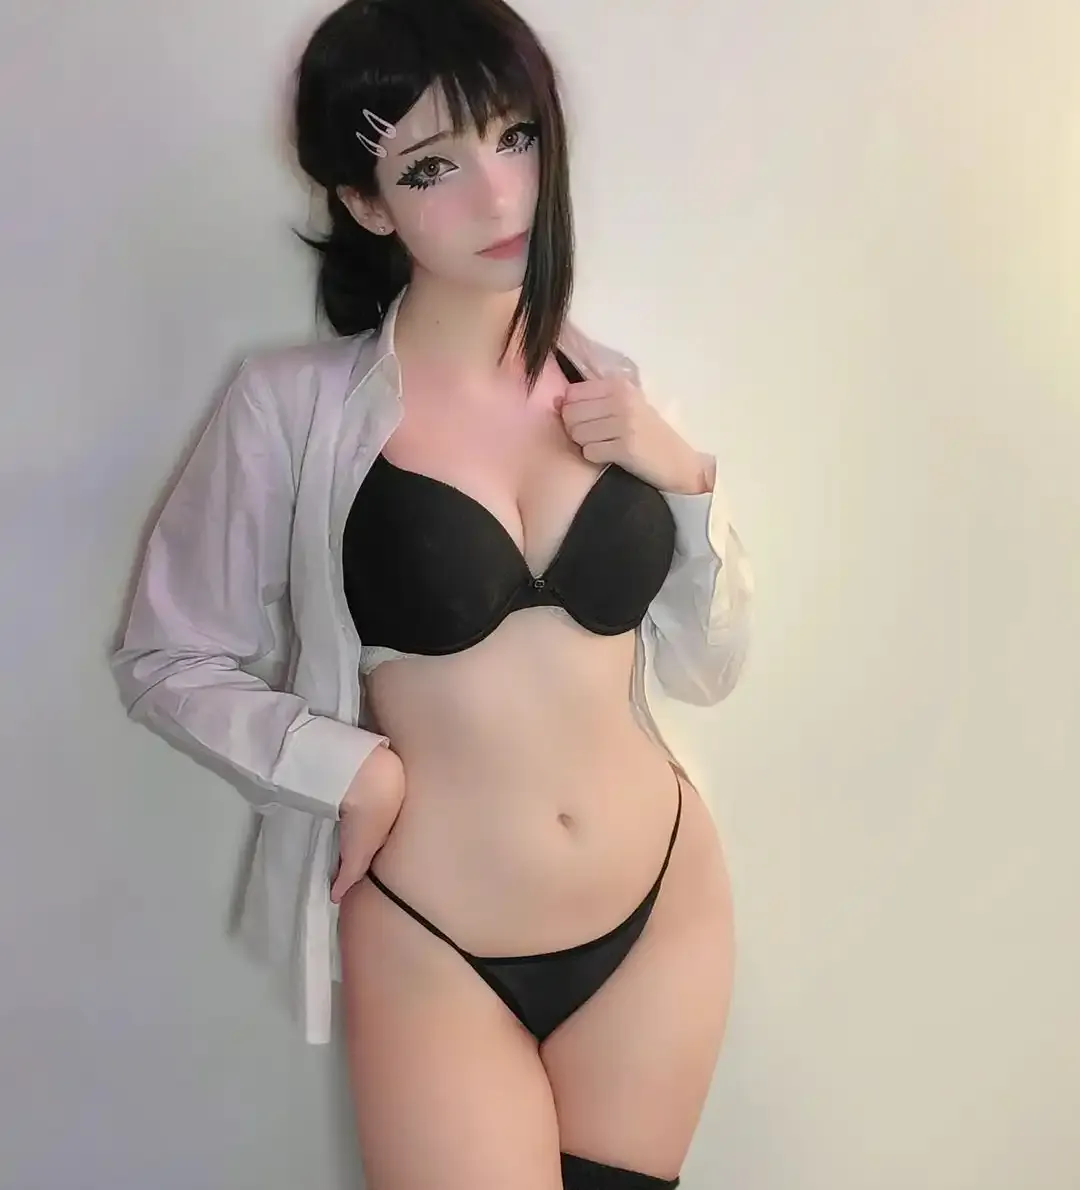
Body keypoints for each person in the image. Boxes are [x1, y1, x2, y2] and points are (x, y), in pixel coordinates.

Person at [110, 0, 754, 1186]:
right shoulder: (290, 408)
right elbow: (166, 657)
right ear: (367, 204)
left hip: (663, 899)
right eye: (431, 166)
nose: (499, 196)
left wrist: (689, 484)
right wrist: (346, 766)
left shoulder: (614, 386)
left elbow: (706, 665)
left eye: (517, 137)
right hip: (436, 937)